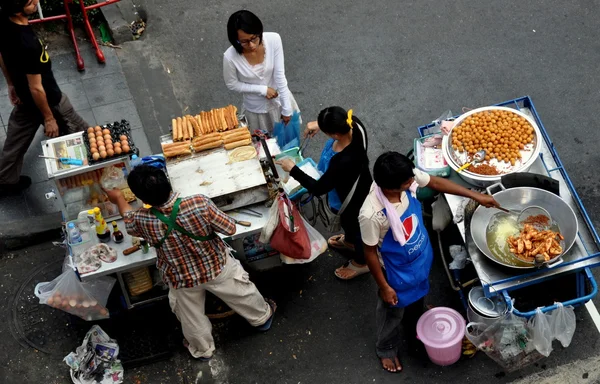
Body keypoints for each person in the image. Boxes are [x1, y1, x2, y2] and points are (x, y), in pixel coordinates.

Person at [104, 165, 276, 360]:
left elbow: (128, 219)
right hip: (216, 267)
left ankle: (202, 350)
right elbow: (230, 229)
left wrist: (118, 198)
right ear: (168, 183)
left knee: (191, 318)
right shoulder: (199, 203)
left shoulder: (142, 220)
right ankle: (261, 318)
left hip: (181, 279)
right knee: (242, 292)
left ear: (142, 200)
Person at [359, 152, 499, 373]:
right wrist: (384, 287)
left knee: (419, 293)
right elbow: (368, 253)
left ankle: (417, 313)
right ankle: (386, 347)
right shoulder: (371, 214)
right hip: (395, 272)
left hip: (419, 258)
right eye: (408, 182)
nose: (414, 182)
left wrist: (475, 195)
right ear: (390, 187)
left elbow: (434, 182)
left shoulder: (406, 177)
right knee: (392, 311)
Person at [0, 0, 88, 194]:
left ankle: (6, 180)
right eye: (30, 2)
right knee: (84, 133)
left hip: (25, 100)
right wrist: (49, 118)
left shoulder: (4, 24)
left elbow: (2, 55)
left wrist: (11, 83)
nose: (36, 2)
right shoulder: (28, 44)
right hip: (50, 100)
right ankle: (99, 165)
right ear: (17, 10)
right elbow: (37, 88)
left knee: (16, 140)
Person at [276, 106, 372, 280]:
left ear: (335, 134)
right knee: (350, 225)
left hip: (351, 199)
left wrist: (293, 169)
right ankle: (349, 242)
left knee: (355, 226)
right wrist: (320, 125)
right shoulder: (356, 125)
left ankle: (361, 262)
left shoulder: (343, 160)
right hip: (360, 184)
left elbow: (319, 188)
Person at [223, 10, 298, 132]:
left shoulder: (274, 40)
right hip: (256, 111)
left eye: (254, 38)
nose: (252, 45)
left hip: (281, 102)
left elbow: (280, 75)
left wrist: (286, 109)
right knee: (263, 148)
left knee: (289, 145)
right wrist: (263, 90)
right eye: (244, 41)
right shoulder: (230, 57)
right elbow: (232, 84)